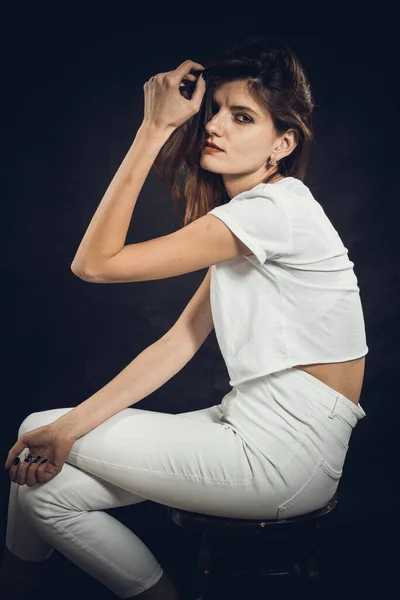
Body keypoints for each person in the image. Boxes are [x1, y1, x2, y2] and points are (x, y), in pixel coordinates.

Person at [1, 36, 368, 599]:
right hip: (248, 427)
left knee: (33, 430)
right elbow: (179, 342)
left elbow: (94, 265)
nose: (215, 126)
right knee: (44, 493)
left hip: (285, 459)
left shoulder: (275, 211)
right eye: (214, 110)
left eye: (242, 117)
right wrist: (70, 430)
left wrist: (154, 127)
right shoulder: (251, 220)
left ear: (282, 143)